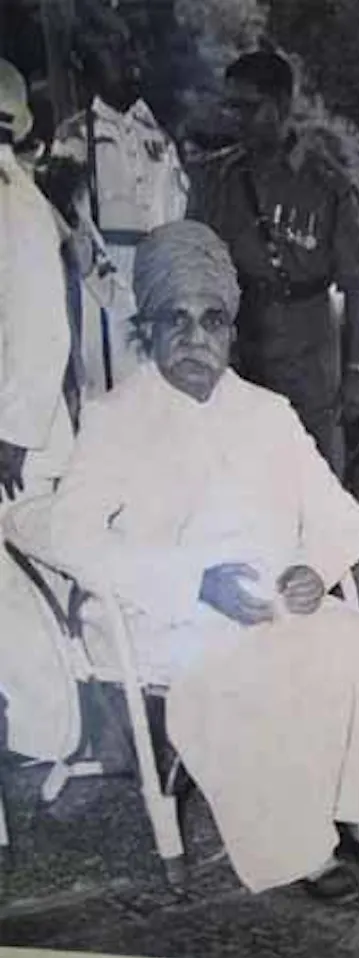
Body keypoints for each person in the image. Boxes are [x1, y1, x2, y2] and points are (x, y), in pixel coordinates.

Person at [45, 221, 359, 904]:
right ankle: (301, 851)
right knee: (257, 671)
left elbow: (338, 515)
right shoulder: (114, 419)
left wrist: (312, 565)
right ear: (146, 330)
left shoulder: (267, 413)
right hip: (166, 618)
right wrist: (193, 583)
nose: (194, 338)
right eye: (174, 321)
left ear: (231, 331)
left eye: (211, 320)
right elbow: (69, 533)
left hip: (274, 603)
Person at [188, 50, 359, 476]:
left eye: (248, 107)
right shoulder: (216, 180)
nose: (236, 118)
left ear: (283, 105)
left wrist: (356, 372)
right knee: (240, 472)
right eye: (231, 106)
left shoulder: (328, 185)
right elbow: (193, 267)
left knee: (314, 470)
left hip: (307, 344)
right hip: (240, 345)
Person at [0, 59, 79, 766]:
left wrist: (12, 437)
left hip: (21, 440)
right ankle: (37, 728)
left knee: (28, 595)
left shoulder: (14, 202)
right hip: (14, 429)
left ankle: (54, 731)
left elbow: (45, 332)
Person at [53, 5, 187, 398]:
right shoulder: (76, 138)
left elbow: (177, 213)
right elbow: (73, 223)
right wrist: (115, 290)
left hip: (158, 284)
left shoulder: (160, 139)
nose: (129, 62)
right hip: (106, 292)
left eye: (131, 50)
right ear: (87, 65)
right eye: (113, 52)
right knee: (112, 398)